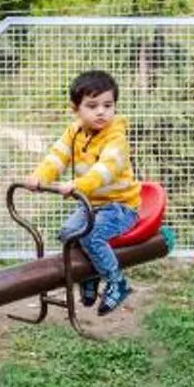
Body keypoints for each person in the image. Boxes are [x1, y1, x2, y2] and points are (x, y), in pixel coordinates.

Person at [20, 68, 142, 314]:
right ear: (75, 109)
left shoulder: (115, 137)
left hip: (120, 207)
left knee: (91, 236)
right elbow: (57, 158)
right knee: (67, 233)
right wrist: (39, 178)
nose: (101, 111)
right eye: (92, 105)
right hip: (91, 205)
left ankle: (117, 281)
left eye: (108, 105)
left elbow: (106, 169)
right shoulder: (74, 132)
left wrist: (78, 185)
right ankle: (90, 277)